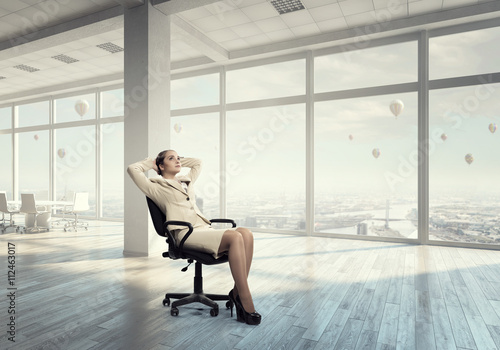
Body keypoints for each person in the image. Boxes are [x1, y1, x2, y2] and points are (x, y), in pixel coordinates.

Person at [127, 150, 261, 325]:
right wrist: (150, 164)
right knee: (234, 237)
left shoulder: (185, 180)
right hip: (186, 233)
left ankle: (236, 292)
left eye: (178, 158)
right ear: (161, 166)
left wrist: (177, 159)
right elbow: (132, 169)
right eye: (171, 159)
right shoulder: (155, 186)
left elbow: (198, 162)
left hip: (203, 227)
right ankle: (245, 298)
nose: (177, 161)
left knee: (246, 234)